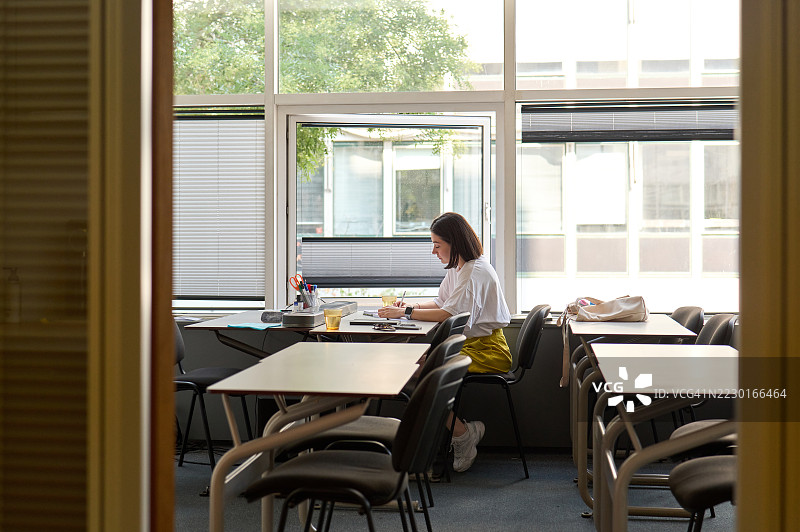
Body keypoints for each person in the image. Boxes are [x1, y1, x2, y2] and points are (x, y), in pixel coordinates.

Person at [378, 212, 511, 472]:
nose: (433, 251)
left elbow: (449, 315)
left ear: (455, 242)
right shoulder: (460, 267)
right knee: (410, 370)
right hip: (469, 345)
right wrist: (411, 305)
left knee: (415, 371)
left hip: (487, 349)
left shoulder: (474, 272)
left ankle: (460, 435)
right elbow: (442, 303)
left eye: (437, 245)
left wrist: (404, 313)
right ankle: (459, 432)